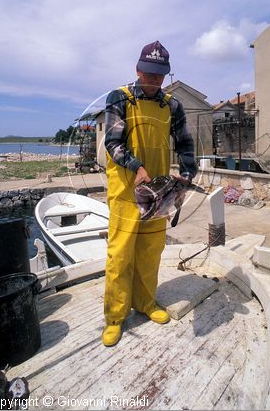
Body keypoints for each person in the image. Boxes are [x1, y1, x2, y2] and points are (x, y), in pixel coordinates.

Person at [102, 40, 198, 346]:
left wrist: (186, 175)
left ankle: (145, 303)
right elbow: (113, 143)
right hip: (125, 190)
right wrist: (136, 167)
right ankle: (115, 317)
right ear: (138, 69)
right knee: (120, 254)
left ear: (166, 74)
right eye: (149, 72)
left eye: (159, 74)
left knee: (151, 250)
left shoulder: (172, 106)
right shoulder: (120, 98)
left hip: (157, 193)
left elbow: (184, 144)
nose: (154, 79)